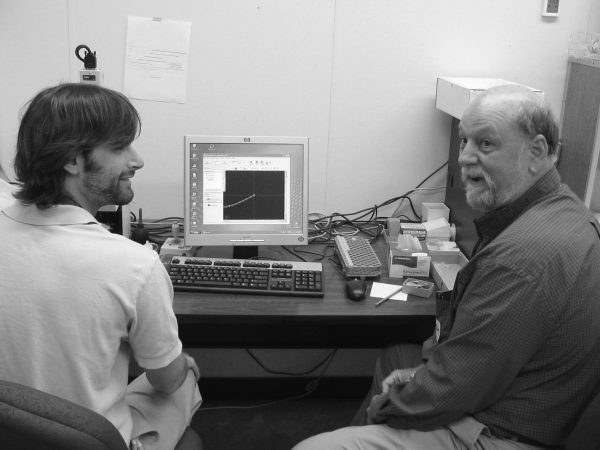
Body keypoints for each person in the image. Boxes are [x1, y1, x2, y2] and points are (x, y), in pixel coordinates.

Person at [292, 84, 600, 449]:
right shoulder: (562, 211)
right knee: (397, 358)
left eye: (485, 144)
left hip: (500, 430)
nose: (466, 157)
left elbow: (453, 389)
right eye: (463, 141)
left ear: (536, 151)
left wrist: (385, 409)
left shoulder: (523, 258)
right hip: (518, 397)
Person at [0, 83, 202, 450]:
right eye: (120, 147)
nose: (137, 160)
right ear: (73, 160)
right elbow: (165, 381)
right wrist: (183, 362)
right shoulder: (134, 265)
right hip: (100, 440)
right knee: (183, 376)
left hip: (14, 433)